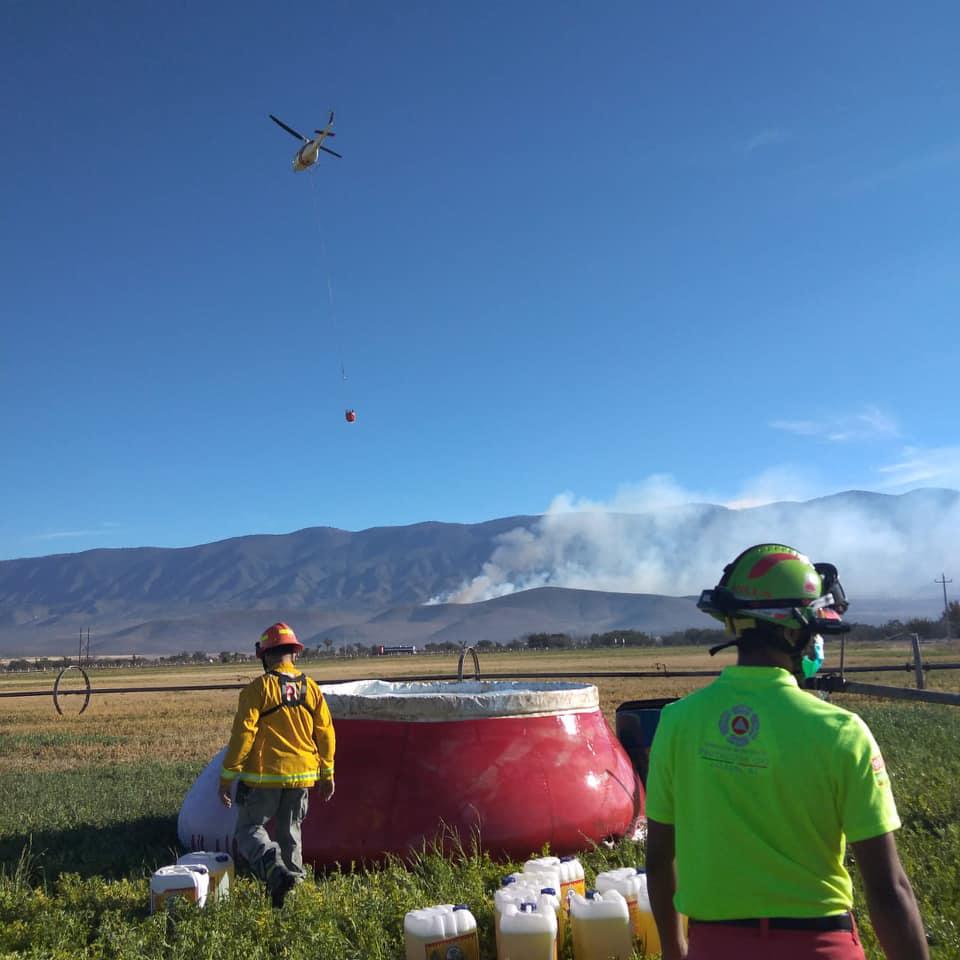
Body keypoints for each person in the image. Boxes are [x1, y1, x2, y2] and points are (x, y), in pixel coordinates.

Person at [645, 544, 928, 960]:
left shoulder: (676, 722)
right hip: (820, 944)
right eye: (813, 629)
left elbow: (658, 858)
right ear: (792, 632)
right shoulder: (841, 731)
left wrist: (674, 948)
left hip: (713, 946)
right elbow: (888, 889)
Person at [218, 622, 336, 908]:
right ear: (294, 655)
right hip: (303, 777)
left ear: (266, 656)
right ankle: (292, 892)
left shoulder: (257, 689)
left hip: (264, 777)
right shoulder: (312, 689)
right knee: (290, 832)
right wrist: (327, 772)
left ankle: (271, 867)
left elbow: (243, 735)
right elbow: (326, 732)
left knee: (248, 830)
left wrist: (227, 776)